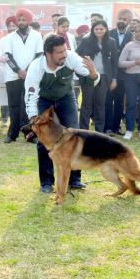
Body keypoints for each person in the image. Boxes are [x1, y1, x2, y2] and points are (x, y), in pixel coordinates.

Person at [25, 35, 99, 193]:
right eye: (59, 52)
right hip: (43, 99)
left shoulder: (72, 57)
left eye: (64, 50)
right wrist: (34, 121)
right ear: (47, 53)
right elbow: (31, 97)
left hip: (66, 96)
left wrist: (93, 72)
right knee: (43, 140)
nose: (64, 54)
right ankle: (46, 182)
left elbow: (91, 79)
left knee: (74, 136)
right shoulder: (35, 67)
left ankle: (75, 179)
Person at [4, 8, 43, 143]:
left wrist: (27, 71)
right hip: (13, 76)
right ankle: (12, 134)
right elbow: (7, 56)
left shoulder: (37, 36)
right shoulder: (10, 37)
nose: (21, 22)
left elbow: (39, 55)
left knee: (29, 105)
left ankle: (30, 135)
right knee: (13, 105)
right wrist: (19, 71)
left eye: (23, 20)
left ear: (29, 21)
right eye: (19, 20)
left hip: (31, 77)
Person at [76, 20, 118, 132]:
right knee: (86, 104)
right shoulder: (86, 40)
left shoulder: (111, 42)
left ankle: (99, 131)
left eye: (101, 29)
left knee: (100, 104)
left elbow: (114, 62)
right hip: (88, 76)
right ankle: (83, 130)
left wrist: (114, 79)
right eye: (96, 29)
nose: (99, 31)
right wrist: (81, 70)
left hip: (104, 77)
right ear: (92, 30)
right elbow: (76, 55)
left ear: (106, 29)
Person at [106, 9, 133, 135]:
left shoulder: (132, 37)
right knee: (107, 100)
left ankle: (116, 127)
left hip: (123, 74)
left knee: (119, 101)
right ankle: (107, 127)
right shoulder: (108, 34)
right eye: (120, 18)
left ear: (129, 21)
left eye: (125, 19)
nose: (121, 21)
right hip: (108, 74)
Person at [0, 16, 17, 127]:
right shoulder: (2, 41)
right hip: (6, 73)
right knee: (5, 96)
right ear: (7, 27)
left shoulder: (21, 40)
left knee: (17, 98)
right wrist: (7, 58)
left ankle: (16, 120)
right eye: (10, 26)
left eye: (14, 26)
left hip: (20, 74)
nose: (12, 28)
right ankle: (4, 119)